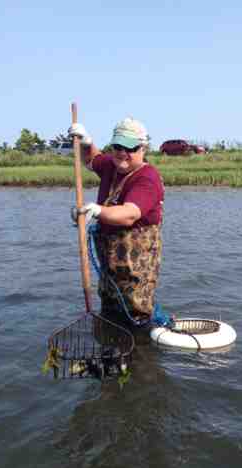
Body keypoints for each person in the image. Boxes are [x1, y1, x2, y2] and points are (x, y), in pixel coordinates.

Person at [69, 117, 165, 326]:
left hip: (135, 266)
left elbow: (129, 213)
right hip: (110, 263)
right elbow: (92, 159)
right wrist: (86, 142)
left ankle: (141, 351)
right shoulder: (112, 164)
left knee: (135, 313)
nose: (122, 153)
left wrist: (96, 210)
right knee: (110, 306)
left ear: (143, 149)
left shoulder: (147, 178)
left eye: (130, 148)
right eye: (117, 146)